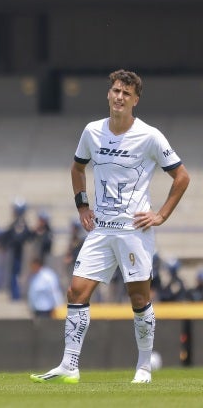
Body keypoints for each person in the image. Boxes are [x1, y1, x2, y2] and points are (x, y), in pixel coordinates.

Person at [31, 69, 190, 385]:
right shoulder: (92, 131)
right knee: (76, 290)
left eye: (126, 94)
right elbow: (78, 168)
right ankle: (69, 365)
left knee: (139, 300)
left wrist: (161, 215)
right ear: (108, 94)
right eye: (116, 91)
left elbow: (182, 177)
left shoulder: (150, 136)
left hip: (134, 231)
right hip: (101, 229)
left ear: (135, 101)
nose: (119, 97)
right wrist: (82, 204)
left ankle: (144, 367)